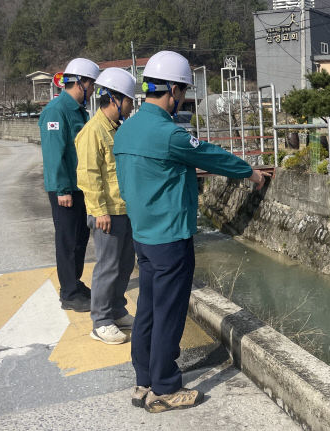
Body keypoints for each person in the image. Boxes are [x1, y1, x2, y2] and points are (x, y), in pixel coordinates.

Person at [113, 51, 270, 413]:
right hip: (170, 237)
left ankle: (144, 380)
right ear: (172, 90)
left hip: (144, 235)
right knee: (169, 312)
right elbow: (212, 155)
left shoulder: (128, 130)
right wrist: (251, 172)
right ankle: (165, 388)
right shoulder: (169, 134)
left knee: (149, 310)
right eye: (182, 90)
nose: (181, 97)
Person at [74, 68, 137, 345]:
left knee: (124, 265)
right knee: (108, 266)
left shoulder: (116, 129)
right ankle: (100, 320)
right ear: (114, 99)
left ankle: (117, 309)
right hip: (106, 212)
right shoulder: (93, 131)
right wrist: (99, 211)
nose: (130, 106)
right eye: (128, 101)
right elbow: (88, 175)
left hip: (124, 209)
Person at [39, 58, 101, 312]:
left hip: (79, 187)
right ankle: (68, 293)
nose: (94, 89)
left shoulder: (78, 110)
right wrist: (62, 189)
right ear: (80, 83)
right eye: (92, 84)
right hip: (65, 189)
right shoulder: (56, 110)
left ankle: (74, 282)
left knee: (79, 238)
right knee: (67, 240)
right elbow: (55, 153)